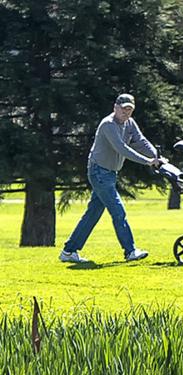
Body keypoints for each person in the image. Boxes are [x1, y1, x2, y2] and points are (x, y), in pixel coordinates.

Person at [59, 93, 163, 264]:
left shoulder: (129, 123)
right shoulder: (108, 125)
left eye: (129, 110)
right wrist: (149, 162)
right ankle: (130, 251)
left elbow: (140, 140)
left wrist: (157, 156)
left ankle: (69, 251)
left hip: (109, 173)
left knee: (93, 213)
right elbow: (122, 149)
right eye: (123, 109)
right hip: (99, 172)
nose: (126, 113)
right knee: (118, 211)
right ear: (115, 107)